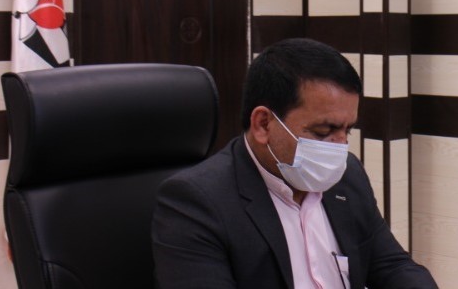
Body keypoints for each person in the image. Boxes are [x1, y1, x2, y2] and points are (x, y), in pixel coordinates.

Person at [152, 38, 438, 289]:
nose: (339, 146)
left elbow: (392, 266)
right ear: (263, 124)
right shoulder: (196, 203)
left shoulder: (348, 174)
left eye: (347, 131)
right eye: (323, 132)